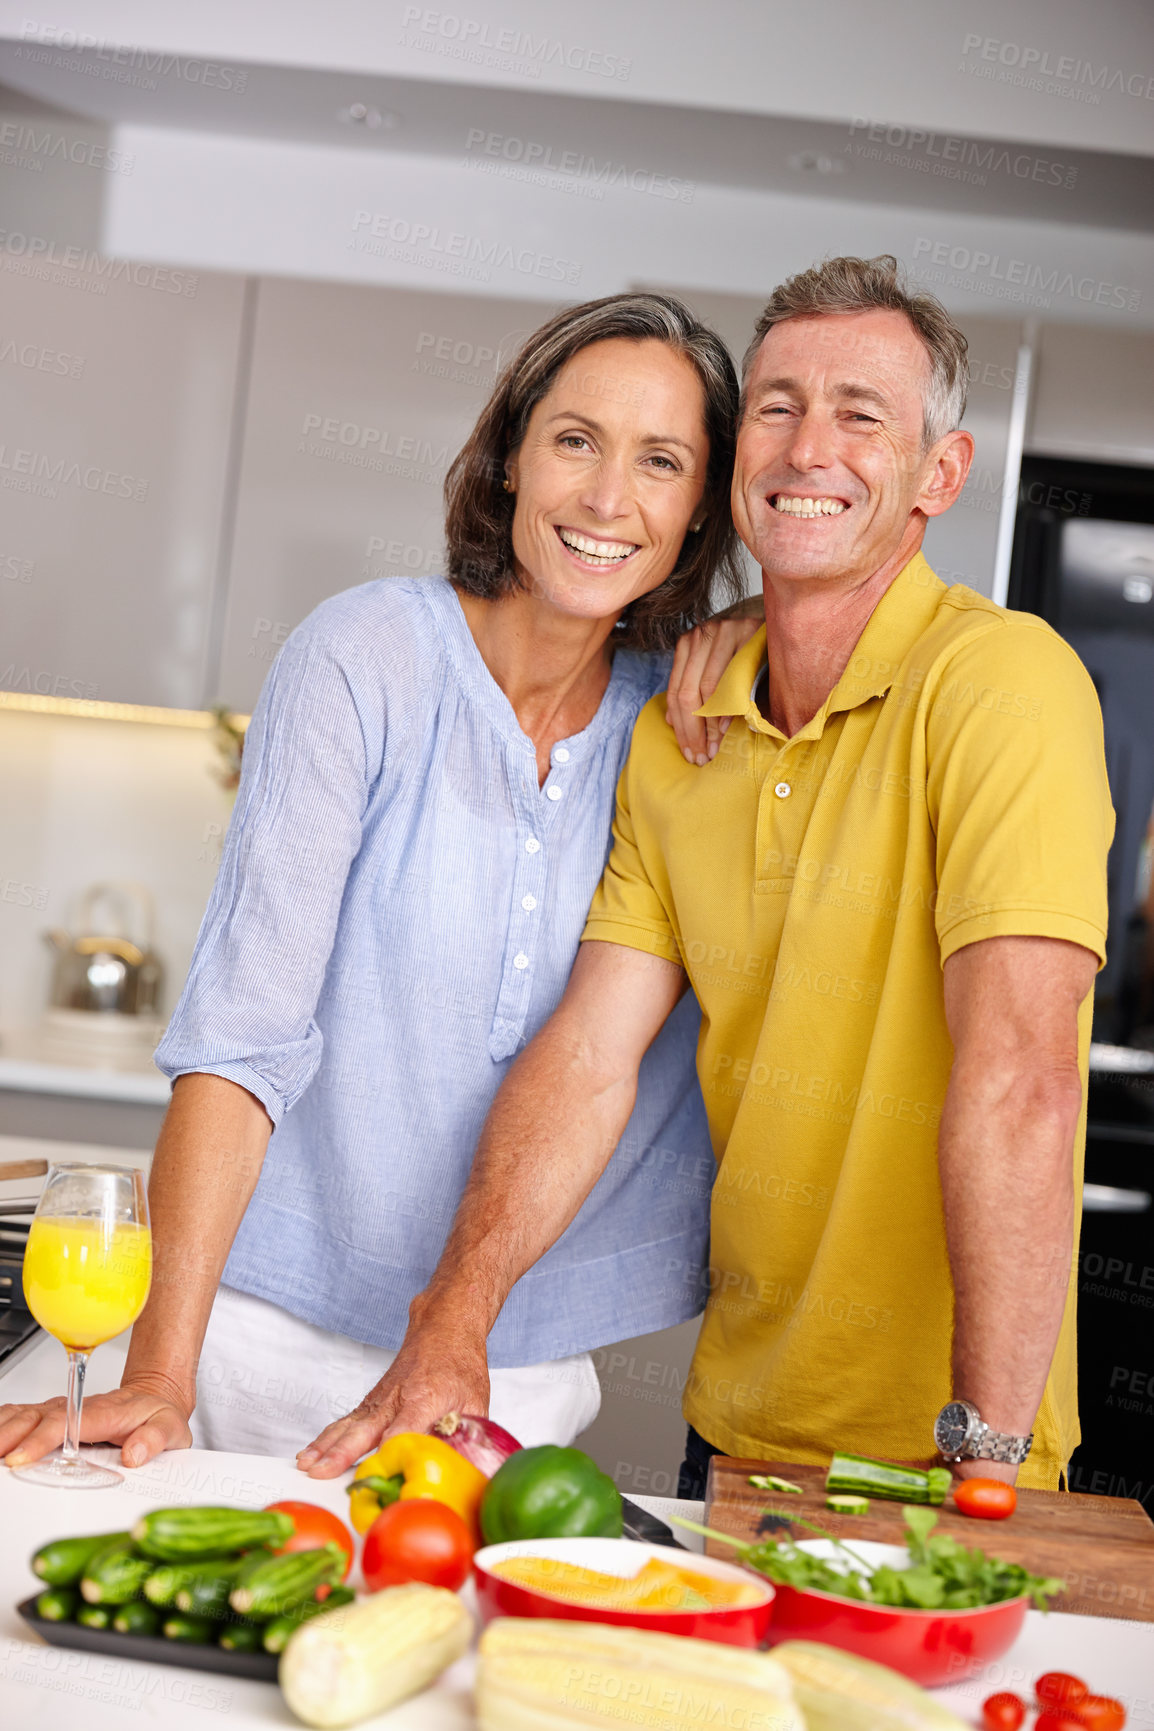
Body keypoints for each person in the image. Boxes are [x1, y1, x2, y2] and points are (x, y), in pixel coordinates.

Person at [300, 255, 1113, 1497]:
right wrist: (450, 1326)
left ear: (936, 476)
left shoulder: (1001, 684)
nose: (806, 447)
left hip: (946, 1446)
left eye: (860, 413)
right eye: (778, 406)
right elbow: (586, 1055)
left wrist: (989, 1460)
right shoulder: (684, 729)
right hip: (736, 1429)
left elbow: (1021, 1084)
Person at [0, 292, 760, 1471]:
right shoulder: (366, 659)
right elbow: (243, 1038)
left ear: (699, 509)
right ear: (509, 456)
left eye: (660, 462)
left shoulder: (687, 725)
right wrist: (161, 1374)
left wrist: (756, 620)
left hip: (507, 1363)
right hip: (240, 1328)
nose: (609, 499)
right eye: (574, 440)